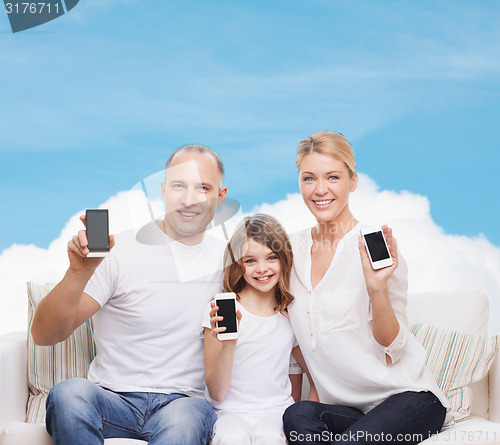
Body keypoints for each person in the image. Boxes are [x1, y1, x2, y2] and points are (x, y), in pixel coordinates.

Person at [31, 144, 228, 445]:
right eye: (179, 186)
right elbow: (44, 334)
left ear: (220, 196)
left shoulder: (231, 263)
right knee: (69, 394)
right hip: (112, 399)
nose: (189, 199)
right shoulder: (120, 250)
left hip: (182, 404)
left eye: (202, 187)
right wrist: (78, 273)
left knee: (185, 422)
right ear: (163, 190)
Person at [282, 131, 449, 445]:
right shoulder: (290, 252)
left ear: (353, 181)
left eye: (333, 177)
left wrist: (377, 289)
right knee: (297, 416)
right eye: (308, 178)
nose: (320, 190)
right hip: (349, 409)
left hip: (407, 399)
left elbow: (392, 348)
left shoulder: (374, 246)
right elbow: (297, 339)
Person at [203, 214, 316, 445]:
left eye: (271, 257)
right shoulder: (220, 310)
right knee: (230, 437)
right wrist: (229, 344)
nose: (262, 269)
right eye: (250, 261)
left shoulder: (290, 314)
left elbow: (310, 373)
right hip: (229, 413)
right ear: (237, 264)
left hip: (275, 411)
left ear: (284, 259)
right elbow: (217, 393)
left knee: (270, 438)